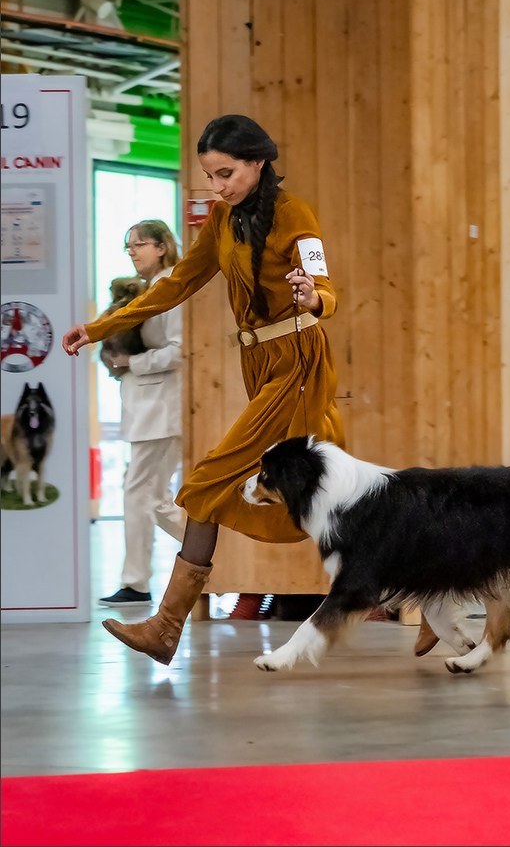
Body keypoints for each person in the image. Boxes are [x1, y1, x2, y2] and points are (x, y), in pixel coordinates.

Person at [62, 114, 346, 665]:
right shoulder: (222, 220)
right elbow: (176, 284)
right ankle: (422, 592)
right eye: (210, 177)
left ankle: (166, 628)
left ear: (258, 162)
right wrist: (97, 327)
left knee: (207, 482)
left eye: (225, 173)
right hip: (261, 365)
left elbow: (324, 285)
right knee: (325, 493)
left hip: (299, 366)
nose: (217, 187)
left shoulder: (296, 216)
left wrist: (313, 297)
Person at [98, 220, 185, 608]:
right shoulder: (143, 291)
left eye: (139, 244)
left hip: (162, 408)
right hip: (146, 407)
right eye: (127, 246)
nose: (132, 251)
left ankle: (136, 582)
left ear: (163, 246)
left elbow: (181, 350)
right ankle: (223, 554)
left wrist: (133, 362)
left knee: (144, 495)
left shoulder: (173, 288)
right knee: (151, 497)